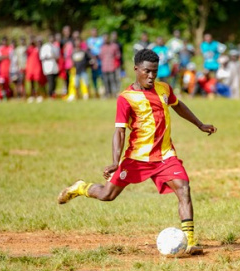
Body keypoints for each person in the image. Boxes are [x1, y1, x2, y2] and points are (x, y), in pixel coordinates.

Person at [57, 49, 217, 255]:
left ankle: (190, 242)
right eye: (147, 71)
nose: (151, 76)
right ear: (136, 69)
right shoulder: (126, 98)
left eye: (155, 72)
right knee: (107, 195)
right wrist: (115, 161)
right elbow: (119, 131)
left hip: (165, 156)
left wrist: (199, 124)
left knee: (184, 188)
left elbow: (178, 106)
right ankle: (80, 187)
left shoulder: (164, 89)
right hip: (137, 158)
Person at [99, 33, 121, 98]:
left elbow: (118, 55)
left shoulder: (114, 46)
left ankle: (114, 94)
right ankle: (107, 94)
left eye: (106, 38)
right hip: (104, 67)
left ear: (109, 38)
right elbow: (100, 56)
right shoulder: (102, 47)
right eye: (104, 38)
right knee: (106, 81)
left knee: (112, 81)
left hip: (112, 67)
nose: (105, 40)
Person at [25, 36, 46, 102]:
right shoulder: (29, 49)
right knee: (32, 83)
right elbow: (26, 52)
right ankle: (32, 95)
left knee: (38, 82)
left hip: (37, 67)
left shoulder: (37, 48)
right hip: (30, 67)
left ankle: (39, 95)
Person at [86, 28, 104, 95]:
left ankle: (102, 90)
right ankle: (96, 90)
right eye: (92, 32)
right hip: (93, 61)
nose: (94, 33)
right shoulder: (89, 40)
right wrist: (92, 58)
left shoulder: (101, 39)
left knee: (102, 76)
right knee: (94, 77)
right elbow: (88, 51)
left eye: (95, 31)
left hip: (100, 60)